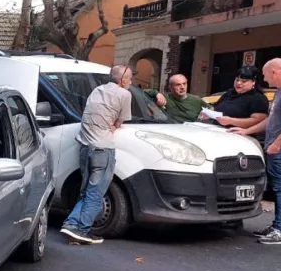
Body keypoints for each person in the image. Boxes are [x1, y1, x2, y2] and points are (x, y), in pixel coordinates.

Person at [60, 65, 133, 245]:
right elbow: (119, 121)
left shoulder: (96, 90)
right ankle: (82, 230)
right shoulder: (124, 94)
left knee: (86, 191)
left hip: (85, 147)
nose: (131, 82)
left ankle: (71, 225)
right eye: (130, 79)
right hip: (103, 148)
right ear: (123, 80)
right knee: (96, 193)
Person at [228, 58, 281, 245]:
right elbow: (271, 121)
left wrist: (278, 143)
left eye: (265, 75)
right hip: (276, 147)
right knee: (277, 187)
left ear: (275, 72)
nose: (264, 79)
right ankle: (276, 227)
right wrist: (246, 131)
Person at [145, 74, 210, 123]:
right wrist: (157, 93)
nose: (182, 87)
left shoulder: (196, 99)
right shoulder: (165, 97)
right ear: (170, 87)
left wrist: (205, 113)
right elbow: (141, 92)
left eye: (184, 84)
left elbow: (211, 109)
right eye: (178, 84)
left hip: (191, 132)